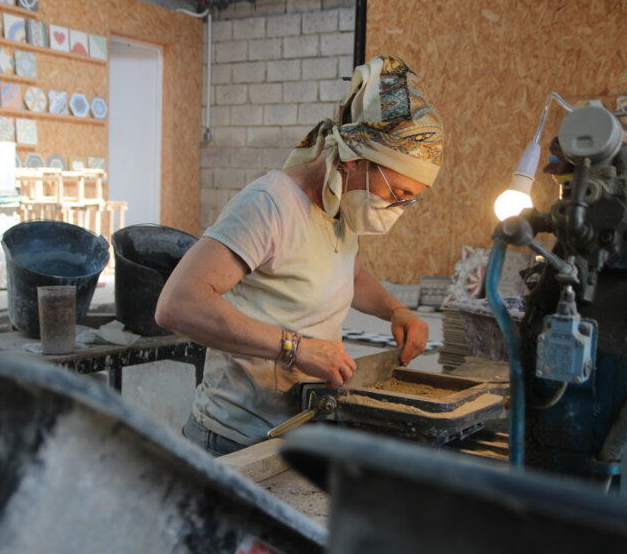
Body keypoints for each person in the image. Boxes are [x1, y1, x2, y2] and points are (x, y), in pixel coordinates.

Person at [155, 55, 444, 456]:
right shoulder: (270, 205)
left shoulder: (339, 206)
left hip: (299, 428)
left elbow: (349, 275)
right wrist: (297, 348)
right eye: (399, 194)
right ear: (357, 160)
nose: (398, 208)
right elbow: (178, 305)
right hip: (234, 439)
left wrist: (397, 311)